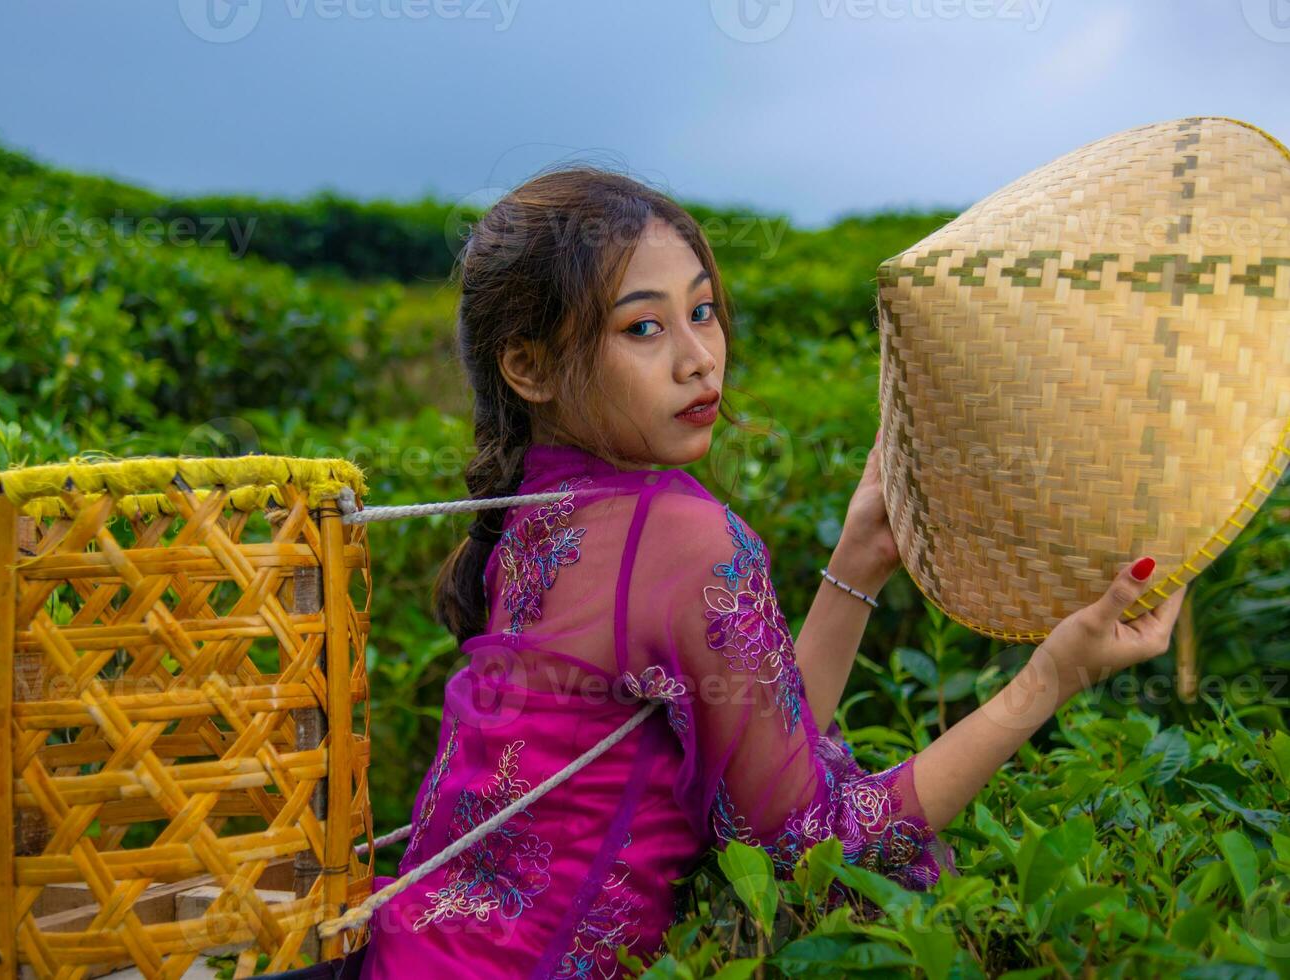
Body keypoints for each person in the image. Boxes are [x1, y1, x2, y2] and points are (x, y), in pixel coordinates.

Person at [354, 167, 1186, 979]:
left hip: (408, 951)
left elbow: (755, 765)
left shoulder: (532, 516)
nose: (698, 360)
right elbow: (812, 844)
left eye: (703, 312)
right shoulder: (682, 536)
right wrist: (1050, 677)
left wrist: (859, 559)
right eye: (643, 328)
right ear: (528, 367)